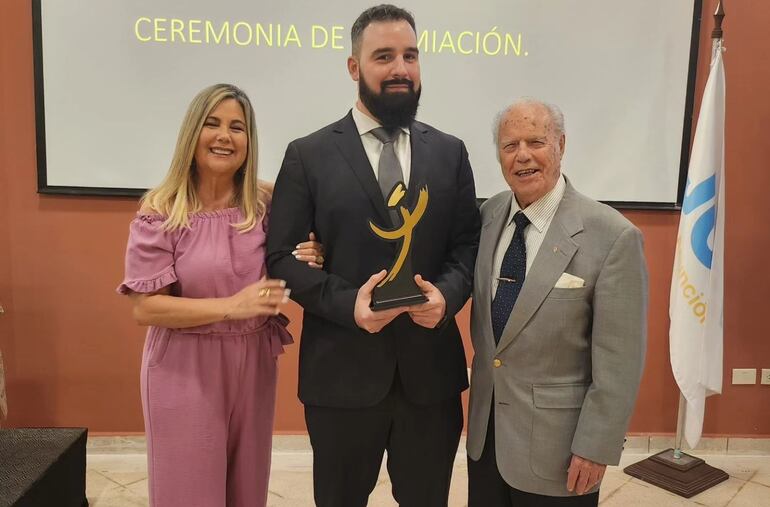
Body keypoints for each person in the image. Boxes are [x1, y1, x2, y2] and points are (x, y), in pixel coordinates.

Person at [266, 5, 480, 506]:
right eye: (384, 56)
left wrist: (446, 298)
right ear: (354, 67)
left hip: (431, 380)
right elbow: (280, 258)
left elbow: (467, 245)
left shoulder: (450, 152)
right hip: (340, 377)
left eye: (410, 55)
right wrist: (349, 306)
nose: (400, 68)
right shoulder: (308, 153)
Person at [117, 83, 323, 507]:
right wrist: (232, 306)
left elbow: (311, 230)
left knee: (247, 490)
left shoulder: (264, 206)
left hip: (254, 362)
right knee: (189, 493)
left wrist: (314, 251)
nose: (224, 136)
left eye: (237, 127)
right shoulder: (162, 209)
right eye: (212, 124)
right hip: (183, 365)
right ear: (192, 133)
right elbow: (145, 307)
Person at [466, 98, 647, 507]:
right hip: (486, 440)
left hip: (561, 453)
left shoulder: (612, 236)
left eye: (536, 141)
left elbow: (620, 361)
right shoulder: (490, 214)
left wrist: (596, 446)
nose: (523, 155)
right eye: (510, 145)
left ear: (561, 145)